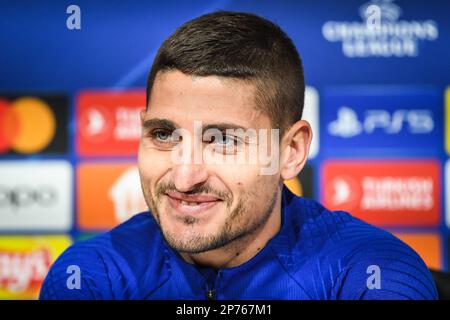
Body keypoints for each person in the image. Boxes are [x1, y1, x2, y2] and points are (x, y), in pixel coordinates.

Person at [40, 11, 437, 300]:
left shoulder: (370, 273)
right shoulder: (91, 276)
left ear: (291, 151)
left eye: (224, 140)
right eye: (163, 134)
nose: (184, 177)